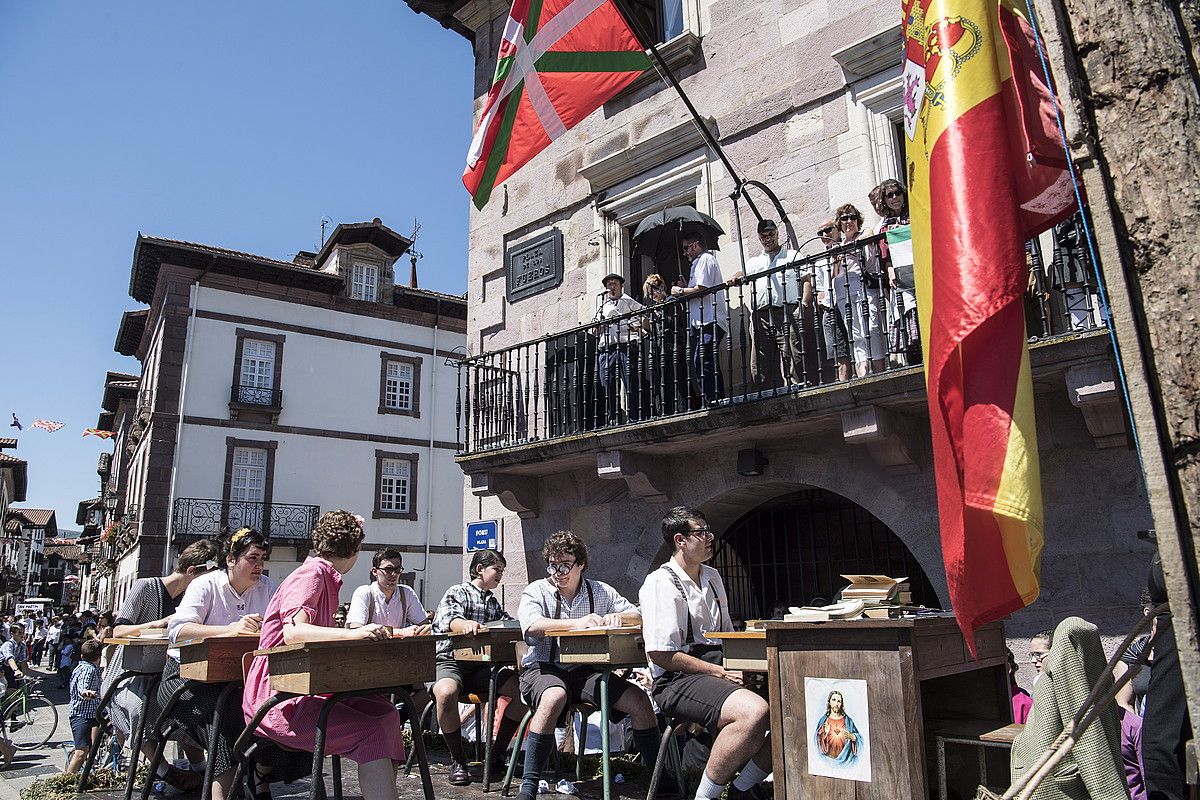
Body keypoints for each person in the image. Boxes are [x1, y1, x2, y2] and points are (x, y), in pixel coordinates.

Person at [243, 510, 407, 800]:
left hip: (306, 687)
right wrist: (354, 633)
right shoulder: (311, 575)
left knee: (386, 713)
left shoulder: (323, 576)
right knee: (372, 730)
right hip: (280, 697)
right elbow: (295, 631)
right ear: (356, 550)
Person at [514, 530, 663, 800]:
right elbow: (533, 625)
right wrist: (576, 624)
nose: (558, 572)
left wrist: (618, 618)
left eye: (565, 565)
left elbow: (638, 613)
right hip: (544, 669)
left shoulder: (600, 590)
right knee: (554, 695)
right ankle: (529, 785)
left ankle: (658, 781)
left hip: (586, 672)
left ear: (581, 564)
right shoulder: (536, 590)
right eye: (553, 565)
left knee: (639, 701)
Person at [639, 506, 771, 800]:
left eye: (708, 531)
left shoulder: (712, 576)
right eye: (701, 532)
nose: (710, 537)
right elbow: (661, 654)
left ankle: (743, 787)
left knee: (791, 705)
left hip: (719, 666)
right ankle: (706, 796)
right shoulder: (660, 583)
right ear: (680, 540)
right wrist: (719, 672)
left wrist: (745, 662)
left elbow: (726, 635)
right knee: (754, 711)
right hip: (676, 680)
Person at [158, 527, 276, 800]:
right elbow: (177, 630)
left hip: (238, 678)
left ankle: (261, 778)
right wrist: (230, 629)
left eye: (262, 558)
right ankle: (225, 794)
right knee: (226, 718)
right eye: (253, 558)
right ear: (231, 560)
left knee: (278, 709)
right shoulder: (206, 585)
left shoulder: (267, 588)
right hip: (185, 679)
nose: (259, 565)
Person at [103, 539, 220, 792]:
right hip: (129, 675)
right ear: (192, 572)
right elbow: (119, 630)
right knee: (139, 709)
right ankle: (166, 772)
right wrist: (155, 624)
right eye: (207, 578)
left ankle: (203, 770)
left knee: (191, 706)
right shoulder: (145, 587)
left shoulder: (192, 601)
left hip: (167, 673)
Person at [430, 549, 527, 785]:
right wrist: (465, 624)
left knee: (522, 691)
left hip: (484, 669)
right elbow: (449, 619)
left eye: (502, 571)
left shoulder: (492, 601)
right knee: (445, 693)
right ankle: (458, 759)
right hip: (451, 661)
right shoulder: (458, 592)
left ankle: (497, 754)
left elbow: (506, 624)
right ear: (479, 569)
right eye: (497, 569)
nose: (500, 575)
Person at [731, 219, 812, 390]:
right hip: (761, 315)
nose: (767, 238)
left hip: (787, 311)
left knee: (793, 353)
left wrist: (804, 303)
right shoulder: (754, 262)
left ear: (777, 234)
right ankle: (762, 393)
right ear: (759, 238)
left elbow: (806, 280)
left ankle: (797, 387)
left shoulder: (792, 255)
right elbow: (743, 273)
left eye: (771, 234)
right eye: (763, 236)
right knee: (760, 358)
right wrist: (735, 276)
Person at [830, 203, 886, 376]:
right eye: (845, 218)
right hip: (844, 289)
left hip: (864, 286)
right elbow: (835, 273)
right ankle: (863, 372)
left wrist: (847, 249)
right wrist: (838, 258)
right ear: (839, 223)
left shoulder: (865, 233)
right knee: (855, 333)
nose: (849, 221)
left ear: (858, 220)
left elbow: (867, 237)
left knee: (871, 327)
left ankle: (879, 370)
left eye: (852, 217)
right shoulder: (836, 246)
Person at [868, 179, 920, 366]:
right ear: (884, 199)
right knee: (908, 314)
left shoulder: (916, 212)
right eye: (889, 195)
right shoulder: (884, 226)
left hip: (921, 271)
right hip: (901, 276)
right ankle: (914, 359)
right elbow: (885, 255)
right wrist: (890, 272)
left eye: (897, 193)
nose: (895, 198)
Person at [673, 234, 727, 404]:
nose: (684, 253)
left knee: (703, 359)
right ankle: (714, 398)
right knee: (705, 360)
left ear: (696, 245)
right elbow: (697, 289)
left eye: (686, 247)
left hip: (709, 321)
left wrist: (680, 291)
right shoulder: (696, 264)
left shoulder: (705, 259)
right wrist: (685, 287)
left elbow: (702, 289)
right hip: (701, 323)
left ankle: (712, 399)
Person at [592, 273, 648, 425]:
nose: (612, 287)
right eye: (609, 284)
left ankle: (635, 416)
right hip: (607, 348)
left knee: (630, 381)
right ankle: (614, 417)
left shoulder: (628, 301)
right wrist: (601, 325)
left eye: (615, 284)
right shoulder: (602, 306)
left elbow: (644, 320)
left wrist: (633, 325)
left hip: (625, 346)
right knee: (606, 383)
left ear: (621, 286)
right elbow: (594, 331)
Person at [346, 548, 430, 633]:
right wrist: (401, 632)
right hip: (369, 646)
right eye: (388, 570)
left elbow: (424, 625)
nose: (393, 574)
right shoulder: (364, 593)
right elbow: (355, 629)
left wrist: (428, 628)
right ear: (375, 572)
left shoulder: (407, 593)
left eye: (397, 570)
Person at [642, 273, 689, 416]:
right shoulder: (657, 308)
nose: (652, 296)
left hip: (672, 349)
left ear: (661, 287)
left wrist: (657, 318)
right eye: (649, 294)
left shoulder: (671, 302)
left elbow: (671, 324)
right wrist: (646, 328)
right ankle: (662, 412)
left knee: (675, 382)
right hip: (659, 351)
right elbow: (655, 331)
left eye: (653, 291)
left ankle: (678, 411)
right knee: (660, 383)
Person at [813, 216, 852, 381]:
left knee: (855, 339)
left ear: (837, 229)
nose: (824, 234)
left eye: (828, 229)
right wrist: (819, 298)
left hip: (848, 300)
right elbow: (821, 287)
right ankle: (843, 379)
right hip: (830, 305)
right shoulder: (821, 259)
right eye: (820, 232)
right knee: (836, 347)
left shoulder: (848, 248)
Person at [66, 639, 104, 774]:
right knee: (81, 752)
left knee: (93, 746)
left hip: (92, 714)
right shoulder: (88, 670)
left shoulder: (84, 666)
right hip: (82, 715)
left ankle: (93, 767)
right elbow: (83, 685)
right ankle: (66, 779)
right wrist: (86, 692)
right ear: (99, 657)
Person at [814, 690, 863, 763]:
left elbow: (860, 738)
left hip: (847, 761)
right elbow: (817, 740)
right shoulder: (823, 721)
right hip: (827, 760)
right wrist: (825, 734)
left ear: (841, 704)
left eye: (839, 701)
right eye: (834, 700)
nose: (836, 704)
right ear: (829, 702)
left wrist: (853, 737)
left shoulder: (848, 721)